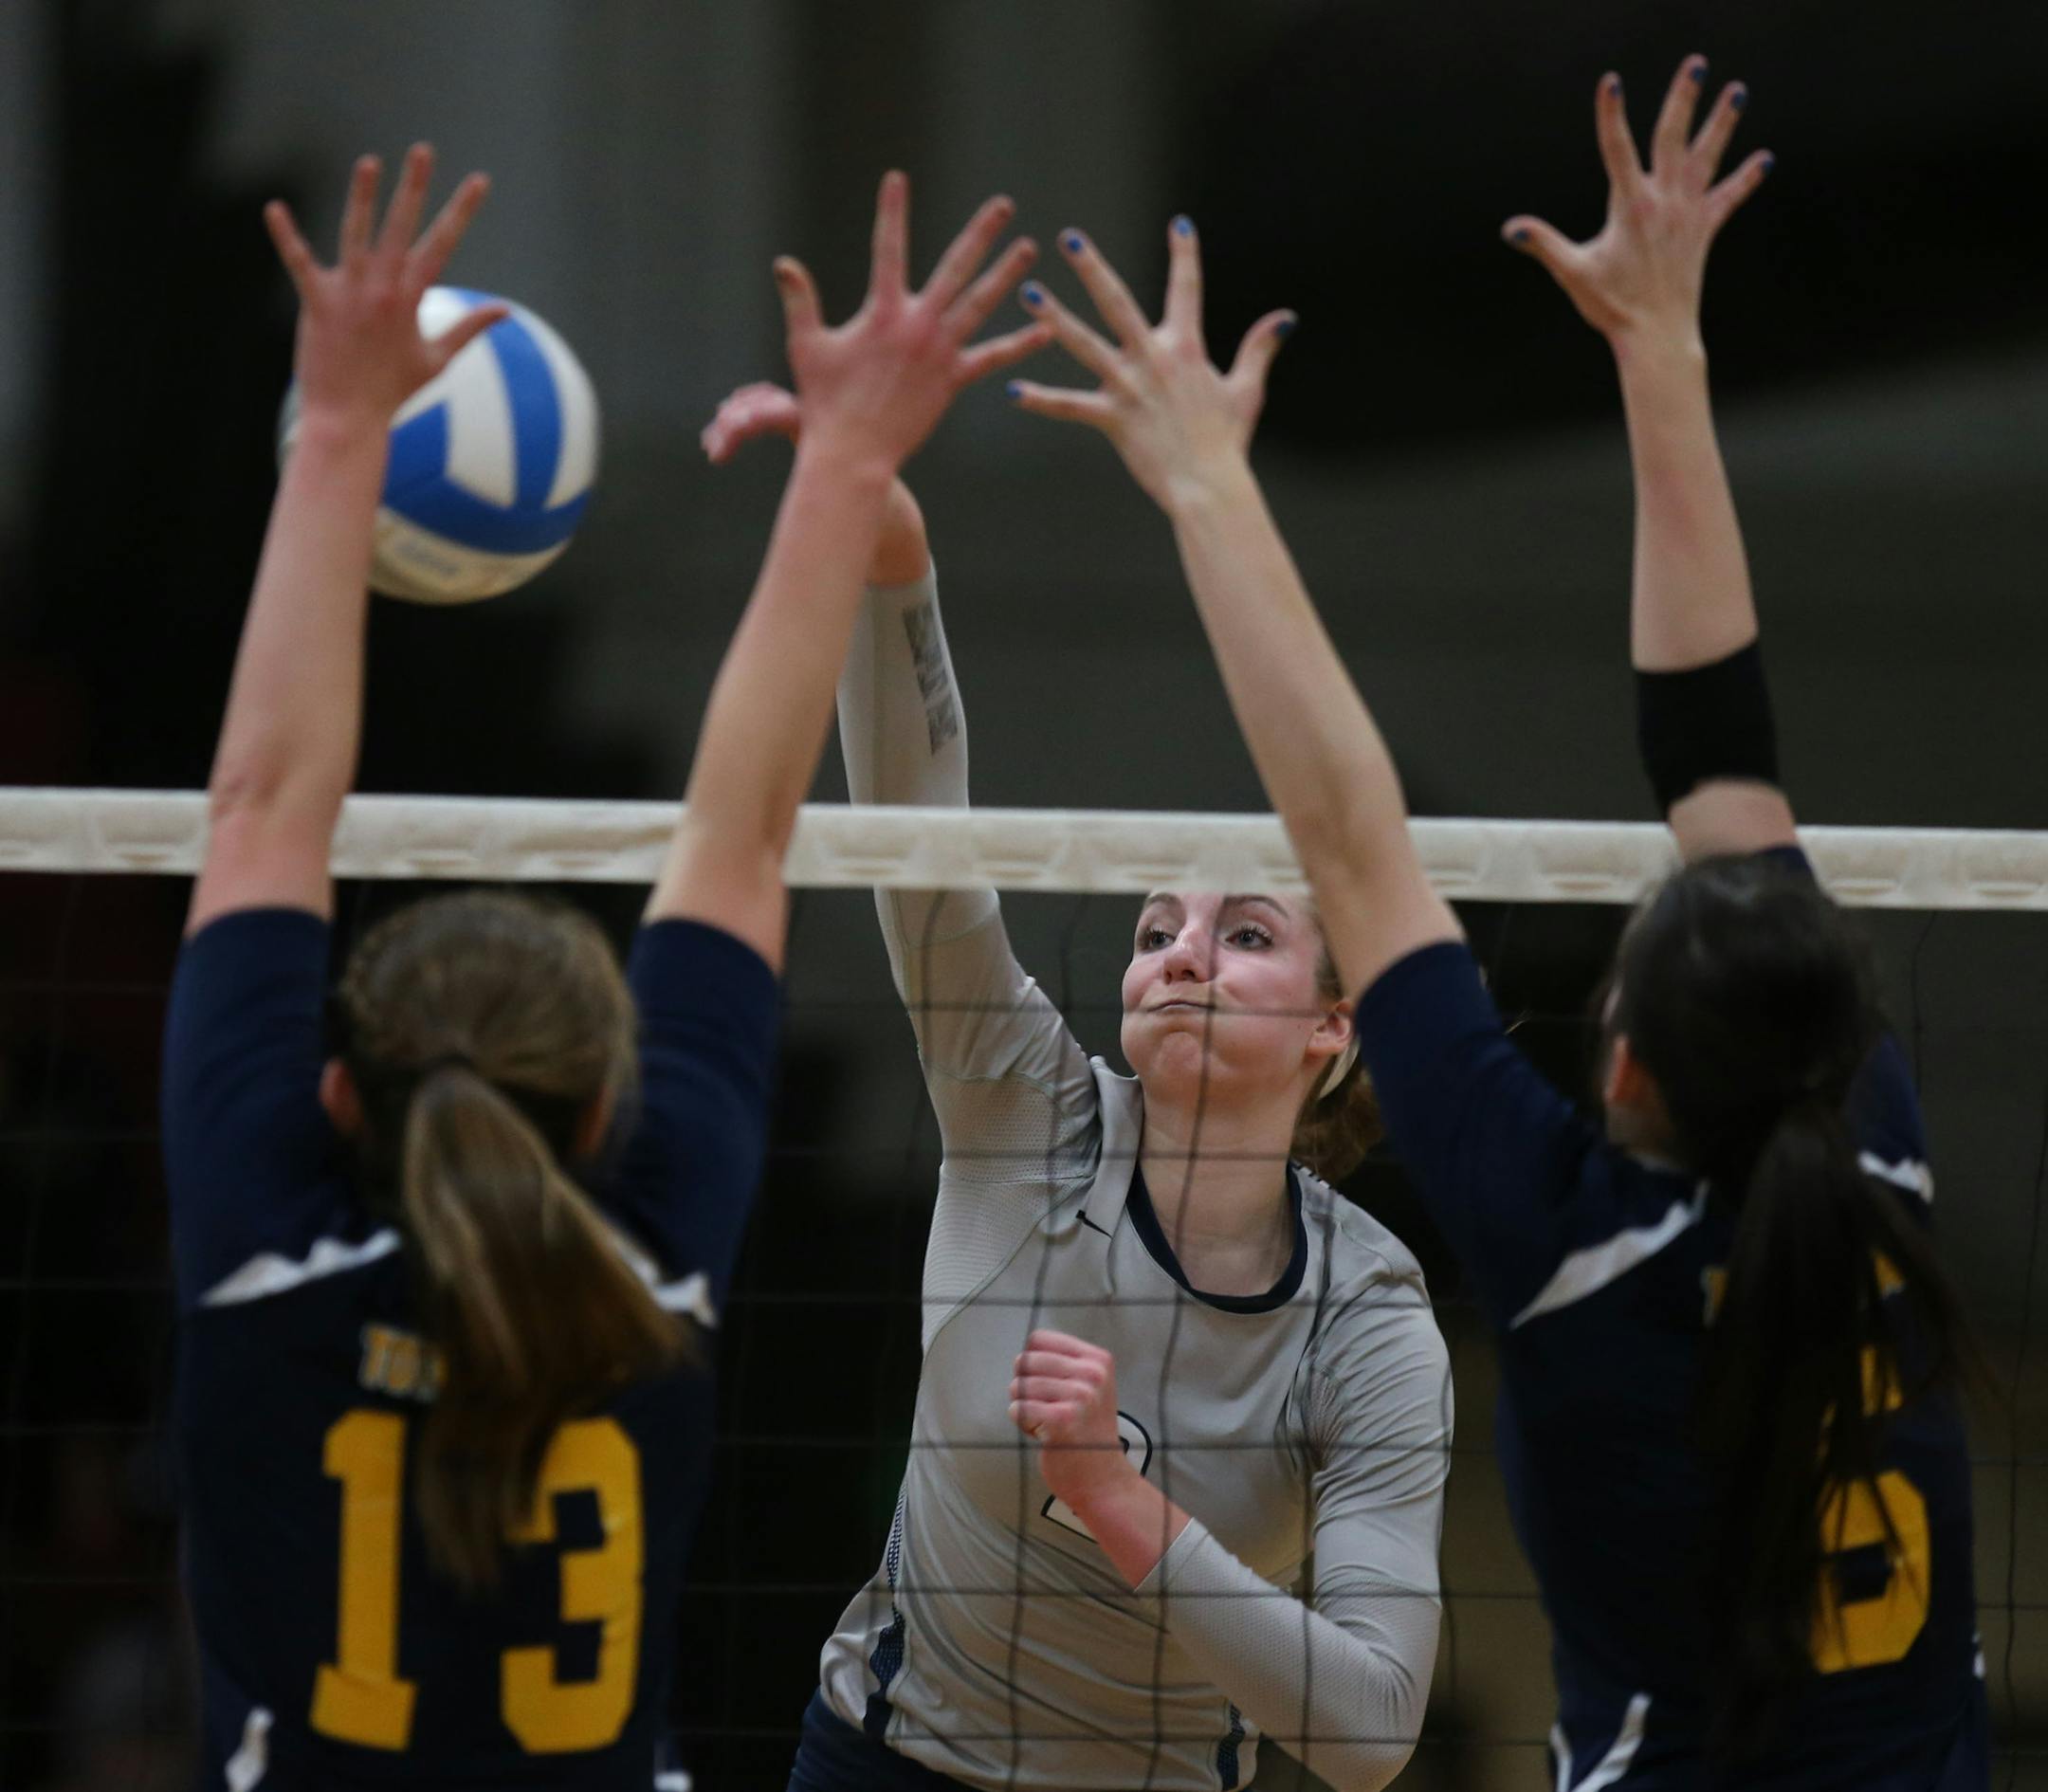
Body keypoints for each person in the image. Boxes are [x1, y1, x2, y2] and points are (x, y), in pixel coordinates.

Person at [1012, 55, 1986, 1791]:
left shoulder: (1565, 1243)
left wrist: (1206, 480)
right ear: (1831, 1038)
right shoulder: (1882, 1163)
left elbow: (1349, 827)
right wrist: (1665, 349)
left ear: (1620, 1069)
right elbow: (1705, 756)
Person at [161, 148, 1044, 1788]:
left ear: (337, 1092)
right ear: (605, 1107)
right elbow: (743, 833)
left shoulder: (270, 1261)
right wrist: (847, 464)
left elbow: (267, 802)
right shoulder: (651, 1270)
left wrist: (338, 429)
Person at [704, 373, 1451, 1792]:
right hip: (888, 1764)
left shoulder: (1368, 1317)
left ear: (1331, 1031)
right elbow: (919, 832)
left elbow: (1367, 1732)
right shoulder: (1025, 1106)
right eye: (1156, 928)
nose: (1180, 956)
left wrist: (1119, 1499)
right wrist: (890, 546)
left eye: (1244, 936)